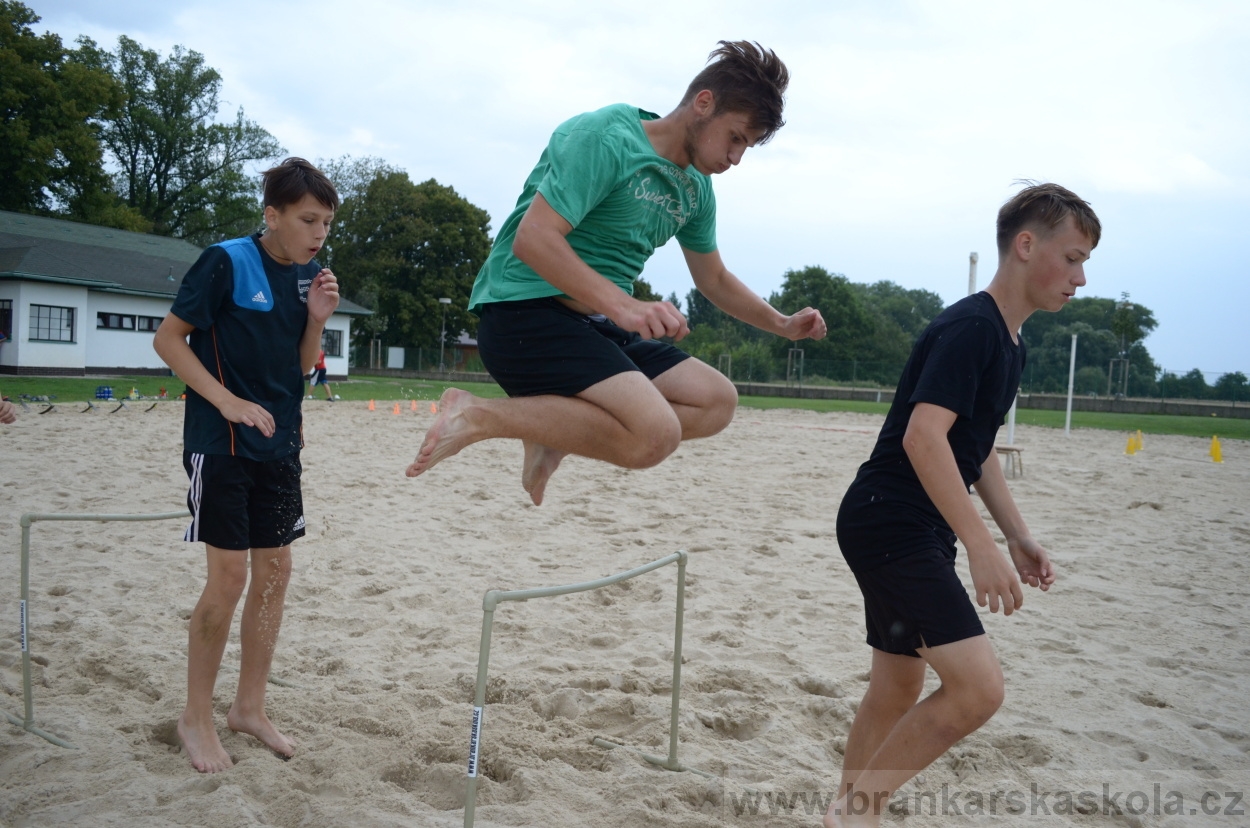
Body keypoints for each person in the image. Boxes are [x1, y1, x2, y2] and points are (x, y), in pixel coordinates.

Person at [407, 41, 827, 504]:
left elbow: (714, 279)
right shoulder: (607, 136)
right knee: (653, 436)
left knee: (716, 401)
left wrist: (782, 324)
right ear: (704, 103)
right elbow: (534, 239)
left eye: (745, 147)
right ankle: (479, 415)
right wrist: (625, 306)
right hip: (523, 314)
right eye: (735, 138)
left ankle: (552, 431)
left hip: (597, 327)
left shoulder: (697, 189)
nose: (736, 158)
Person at [824, 183, 1101, 827]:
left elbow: (972, 451)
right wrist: (978, 545)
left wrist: (1016, 536)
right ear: (1027, 246)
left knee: (897, 685)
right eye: (1075, 257)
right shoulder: (972, 326)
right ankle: (859, 811)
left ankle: (846, 814)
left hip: (890, 520)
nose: (1081, 278)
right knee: (978, 690)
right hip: (893, 518)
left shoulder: (1010, 341)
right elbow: (923, 437)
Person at [152, 157, 340, 774]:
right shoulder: (225, 261)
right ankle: (195, 718)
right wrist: (229, 402)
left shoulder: (308, 275)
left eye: (326, 223)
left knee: (275, 575)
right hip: (221, 442)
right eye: (308, 220)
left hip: (281, 443)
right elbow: (167, 339)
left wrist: (316, 322)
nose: (318, 234)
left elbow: (301, 362)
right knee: (229, 579)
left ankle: (249, 709)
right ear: (273, 214)